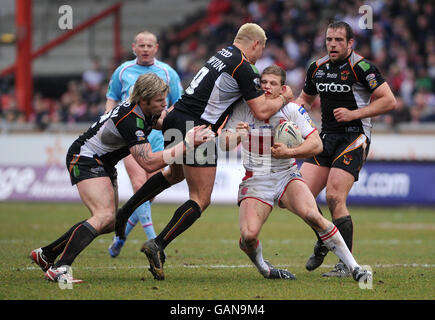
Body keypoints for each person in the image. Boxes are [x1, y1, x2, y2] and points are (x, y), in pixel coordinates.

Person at [114, 23, 294, 280]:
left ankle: (126, 210)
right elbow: (262, 111)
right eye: (261, 49)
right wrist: (284, 98)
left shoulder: (222, 54)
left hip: (177, 118)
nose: (259, 56)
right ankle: (159, 243)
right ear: (256, 44)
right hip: (198, 129)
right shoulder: (243, 66)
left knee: (173, 174)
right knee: (201, 198)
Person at [29, 73, 212, 283]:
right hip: (85, 159)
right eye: (160, 100)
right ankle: (60, 268)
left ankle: (46, 254)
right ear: (144, 100)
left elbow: (168, 120)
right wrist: (188, 143)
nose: (165, 104)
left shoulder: (147, 110)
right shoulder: (130, 119)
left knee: (108, 222)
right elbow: (149, 163)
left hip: (103, 162)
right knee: (104, 216)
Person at [220, 65, 371, 282]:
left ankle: (356, 268)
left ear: (282, 88)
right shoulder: (244, 107)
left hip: (286, 174)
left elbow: (316, 144)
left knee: (314, 216)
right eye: (264, 82)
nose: (267, 87)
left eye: (273, 83)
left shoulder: (292, 110)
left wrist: (290, 152)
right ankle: (266, 270)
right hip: (256, 177)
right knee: (249, 236)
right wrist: (236, 136)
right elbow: (225, 144)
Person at [294, 21, 396, 277]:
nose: (333, 45)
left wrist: (355, 114)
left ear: (350, 43)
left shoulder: (362, 67)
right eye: (329, 40)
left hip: (355, 137)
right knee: (299, 194)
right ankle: (324, 237)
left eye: (339, 40)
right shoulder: (316, 68)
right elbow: (304, 100)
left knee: (334, 197)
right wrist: (292, 120)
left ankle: (343, 264)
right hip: (325, 137)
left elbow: (389, 100)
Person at [105, 31, 183, 258]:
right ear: (134, 47)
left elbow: (178, 103)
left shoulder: (168, 73)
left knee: (148, 194)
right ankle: (153, 242)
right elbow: (111, 96)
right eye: (142, 45)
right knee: (139, 186)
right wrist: (110, 116)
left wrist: (167, 123)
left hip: (158, 137)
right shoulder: (123, 71)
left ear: (157, 48)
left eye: (150, 45)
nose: (146, 49)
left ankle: (121, 235)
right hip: (130, 136)